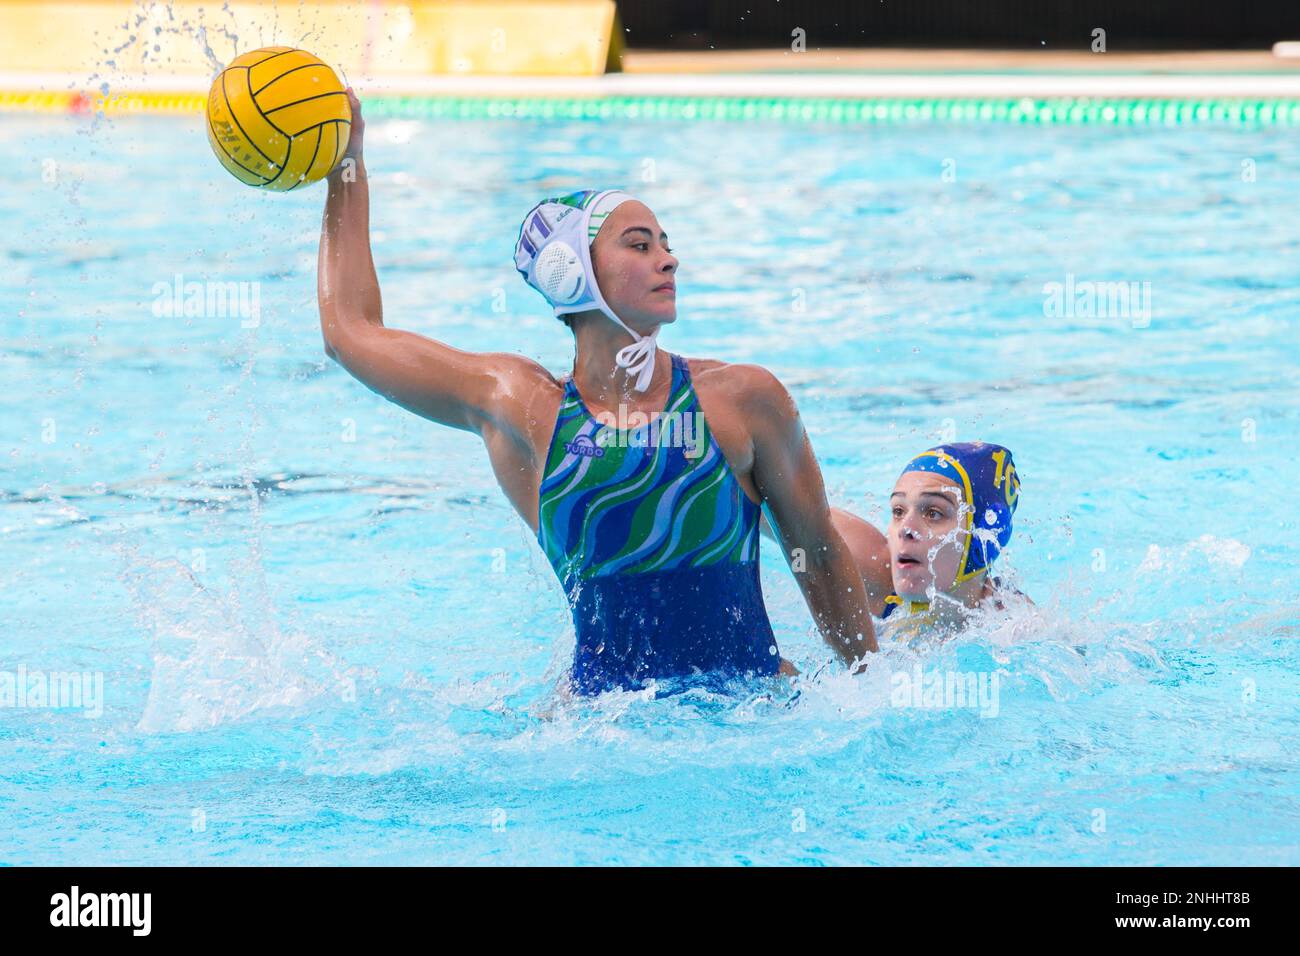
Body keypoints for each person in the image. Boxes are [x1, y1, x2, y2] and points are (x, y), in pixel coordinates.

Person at [316, 90, 877, 694]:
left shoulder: (741, 399)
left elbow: (818, 557)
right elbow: (350, 334)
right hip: (596, 734)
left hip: (752, 712)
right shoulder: (523, 408)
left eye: (665, 243)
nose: (670, 260)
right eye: (640, 245)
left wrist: (873, 695)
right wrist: (347, 166)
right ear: (570, 271)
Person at [765, 441, 1029, 636]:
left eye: (933, 513)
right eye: (898, 511)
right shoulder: (872, 568)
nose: (906, 528)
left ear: (982, 538)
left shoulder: (1014, 625)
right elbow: (760, 500)